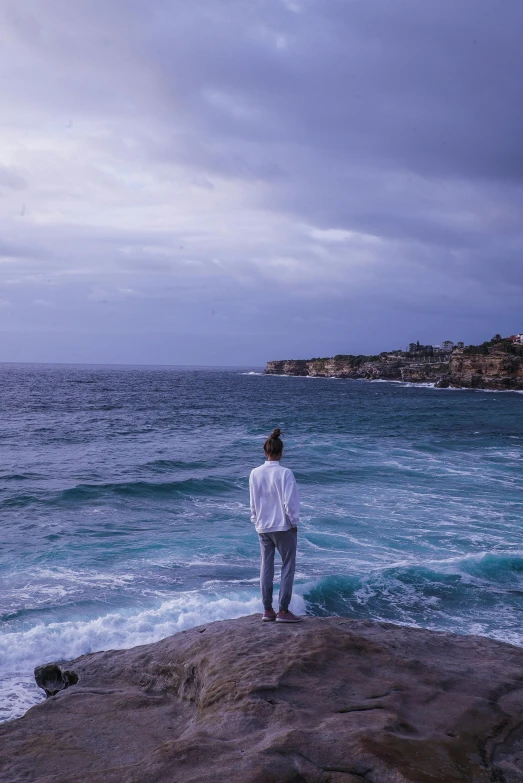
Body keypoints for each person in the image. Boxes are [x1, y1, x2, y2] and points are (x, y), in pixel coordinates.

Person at [249, 428, 302, 623]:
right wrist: (293, 522)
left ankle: (267, 610)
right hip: (283, 526)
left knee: (266, 566)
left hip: (263, 526)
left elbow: (253, 501)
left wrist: (256, 520)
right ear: (280, 452)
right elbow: (290, 502)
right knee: (287, 566)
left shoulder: (254, 473)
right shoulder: (285, 473)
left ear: (265, 452)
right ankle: (283, 611)